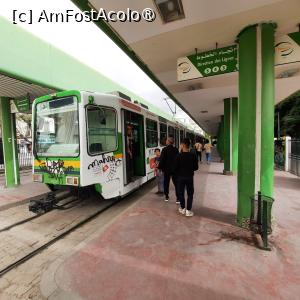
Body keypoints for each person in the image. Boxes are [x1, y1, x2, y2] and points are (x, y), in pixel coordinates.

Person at [175, 138, 198, 217]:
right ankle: (188, 210)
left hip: (180, 177)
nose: (180, 146)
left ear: (183, 145)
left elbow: (175, 168)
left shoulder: (178, 156)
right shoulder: (193, 156)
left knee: (180, 193)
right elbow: (196, 168)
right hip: (189, 177)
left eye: (181, 144)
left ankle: (182, 208)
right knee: (190, 193)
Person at [158, 137, 179, 203]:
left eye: (167, 140)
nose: (166, 141)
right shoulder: (176, 149)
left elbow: (162, 160)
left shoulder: (164, 149)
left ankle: (166, 196)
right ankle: (178, 198)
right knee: (176, 183)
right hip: (174, 170)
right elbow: (177, 159)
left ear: (168, 142)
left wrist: (160, 168)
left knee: (166, 183)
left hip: (166, 169)